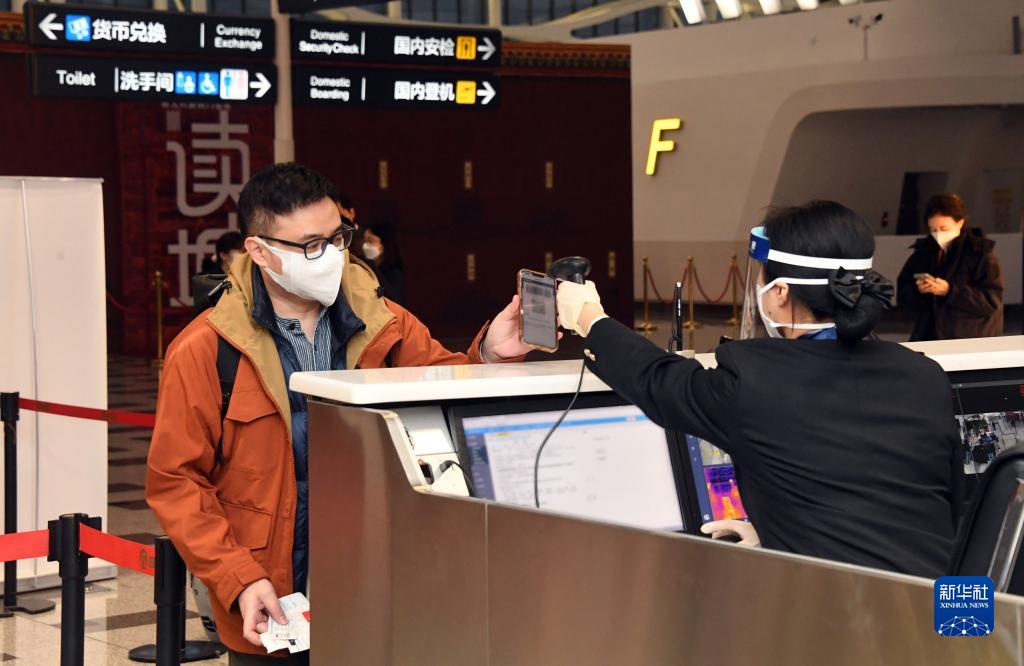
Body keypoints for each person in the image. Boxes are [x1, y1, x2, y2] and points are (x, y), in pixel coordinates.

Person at [146, 163, 534, 664]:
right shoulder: (206, 348)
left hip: (378, 583)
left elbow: (444, 392)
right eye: (310, 245)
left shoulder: (384, 321)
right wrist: (238, 578)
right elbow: (176, 480)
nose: (330, 256)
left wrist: (489, 356)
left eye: (337, 238)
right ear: (259, 251)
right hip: (271, 595)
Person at [556, 201, 964, 579]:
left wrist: (588, 316)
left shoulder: (757, 379)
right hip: (956, 613)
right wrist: (777, 534)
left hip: (843, 619)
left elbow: (657, 380)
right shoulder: (923, 376)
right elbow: (935, 511)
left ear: (781, 292)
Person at [897, 193, 1004, 341]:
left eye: (944, 228)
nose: (938, 234)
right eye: (933, 230)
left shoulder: (979, 253)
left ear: (960, 223)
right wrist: (919, 291)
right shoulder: (924, 252)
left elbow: (991, 302)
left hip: (969, 338)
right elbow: (904, 294)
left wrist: (950, 291)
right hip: (930, 336)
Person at [361, 222, 406, 305]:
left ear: (383, 246)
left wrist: (372, 266)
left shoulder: (395, 273)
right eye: (364, 240)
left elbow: (393, 300)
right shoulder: (361, 268)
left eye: (370, 241)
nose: (365, 245)